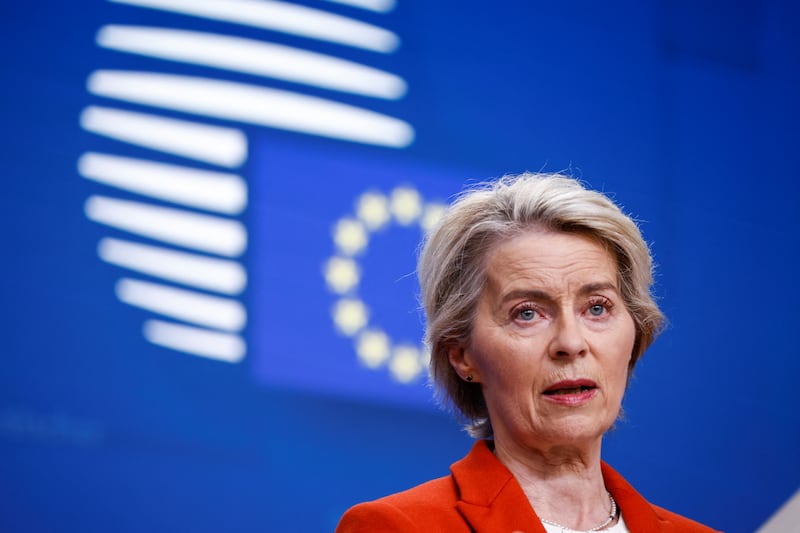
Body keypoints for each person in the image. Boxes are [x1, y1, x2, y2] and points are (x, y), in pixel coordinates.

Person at [335, 173, 721, 533]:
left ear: (636, 332)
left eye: (597, 307)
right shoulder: (398, 527)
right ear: (462, 355)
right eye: (527, 314)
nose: (571, 343)